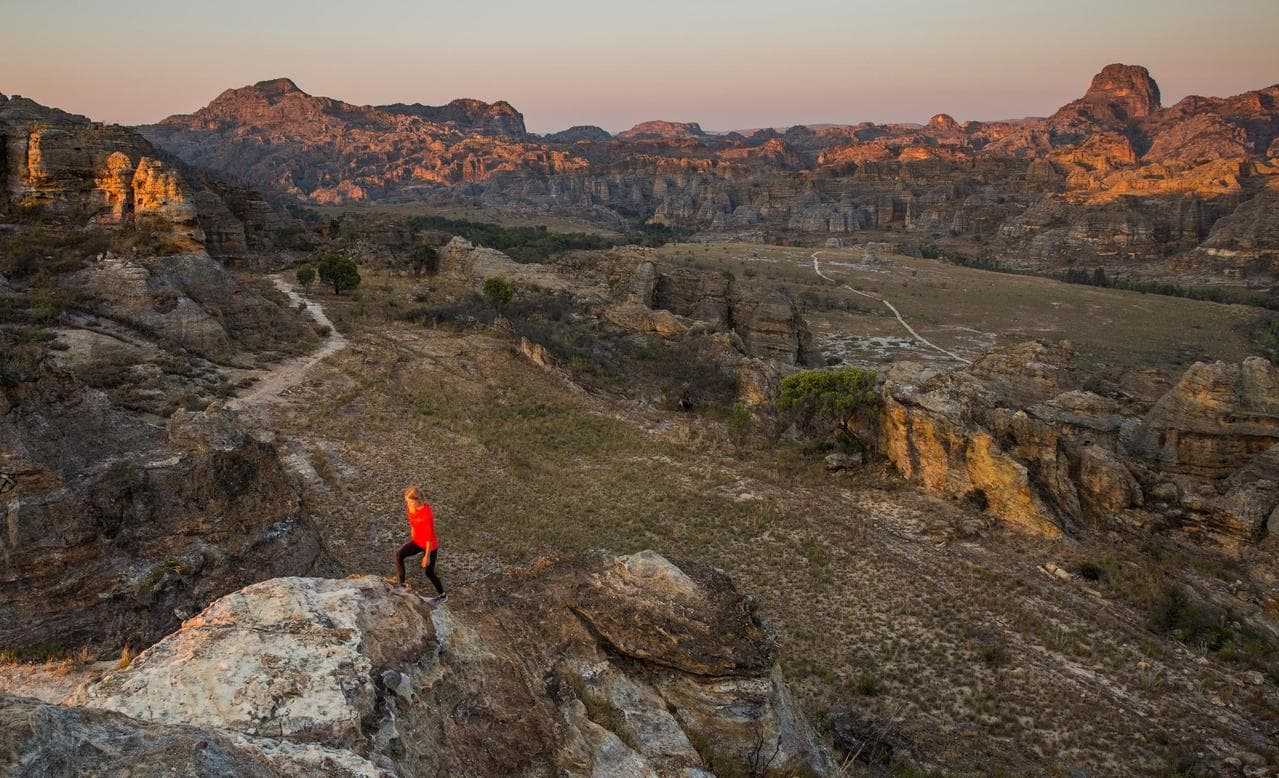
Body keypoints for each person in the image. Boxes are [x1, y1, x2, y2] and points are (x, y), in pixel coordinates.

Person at [391, 486, 445, 601]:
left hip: (429, 545)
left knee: (429, 572)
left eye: (410, 501)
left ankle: (443, 596)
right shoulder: (411, 508)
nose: (408, 503)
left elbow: (429, 537)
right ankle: (402, 585)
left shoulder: (427, 514)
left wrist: (427, 556)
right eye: (407, 501)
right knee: (399, 554)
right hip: (417, 541)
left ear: (418, 500)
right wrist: (413, 533)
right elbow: (412, 521)